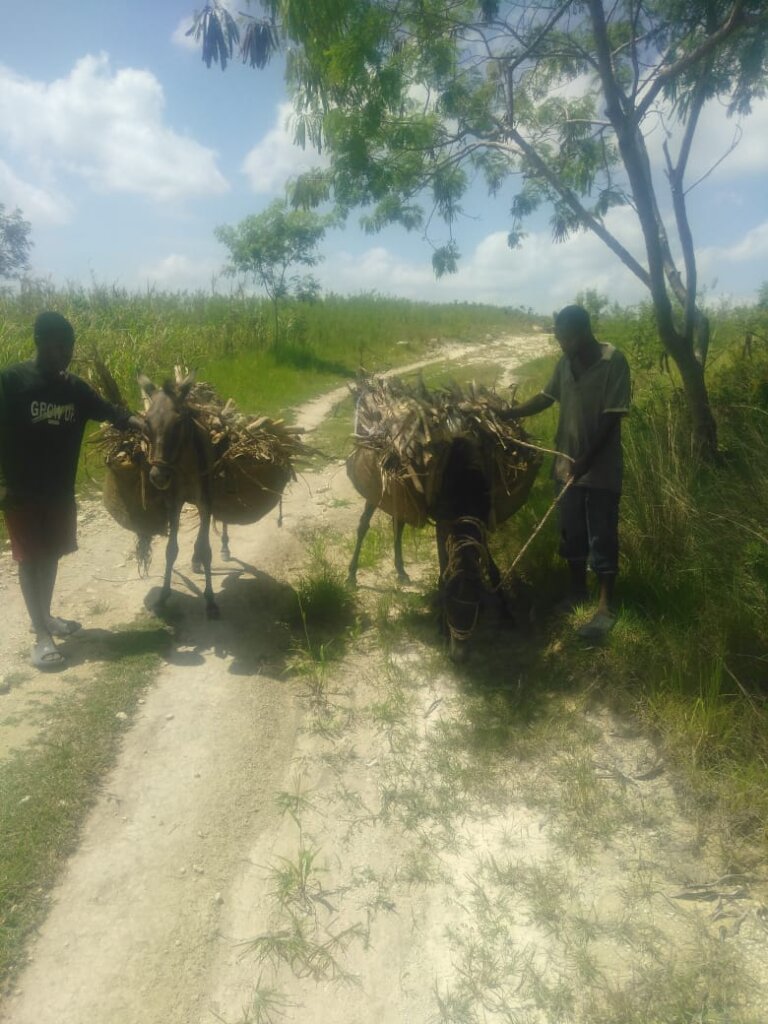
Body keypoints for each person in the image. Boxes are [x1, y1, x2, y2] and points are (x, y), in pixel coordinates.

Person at [0, 311, 145, 670]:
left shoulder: (74, 389)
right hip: (21, 491)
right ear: (39, 342)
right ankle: (41, 638)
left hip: (60, 493)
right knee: (30, 559)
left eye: (69, 347)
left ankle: (45, 617)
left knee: (49, 556)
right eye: (57, 346)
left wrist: (150, 425)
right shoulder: (11, 382)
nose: (64, 354)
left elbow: (113, 414)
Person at [502, 304, 631, 639]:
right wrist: (508, 414)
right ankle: (577, 591)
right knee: (571, 533)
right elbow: (546, 398)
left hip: (600, 469)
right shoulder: (565, 364)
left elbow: (612, 416)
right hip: (566, 466)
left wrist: (587, 458)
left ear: (582, 332)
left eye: (564, 337)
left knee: (601, 534)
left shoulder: (613, 362)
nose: (560, 343)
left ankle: (605, 605)